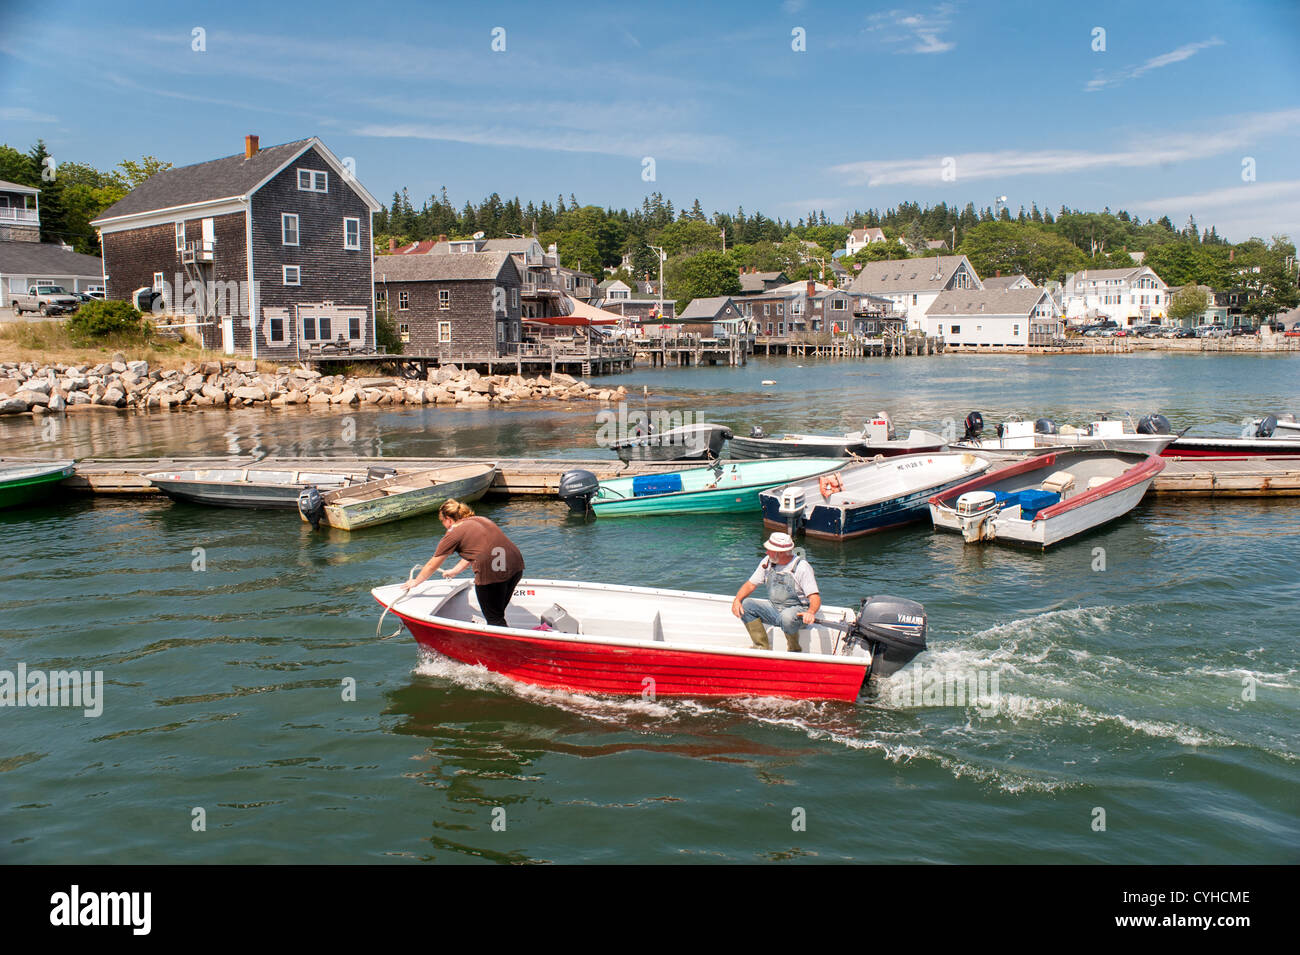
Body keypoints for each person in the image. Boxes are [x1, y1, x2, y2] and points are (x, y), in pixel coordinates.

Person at [400, 500, 525, 628]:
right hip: (516, 566)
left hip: (491, 573)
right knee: (497, 612)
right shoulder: (480, 519)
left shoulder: (453, 532)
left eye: (442, 521)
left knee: (494, 619)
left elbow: (433, 564)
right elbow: (477, 550)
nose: (444, 525)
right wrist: (455, 570)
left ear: (448, 519)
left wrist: (416, 582)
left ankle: (504, 646)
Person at [730, 532, 821, 652]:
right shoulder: (767, 562)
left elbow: (814, 597)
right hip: (774, 608)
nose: (766, 552)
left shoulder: (802, 568)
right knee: (746, 605)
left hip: (797, 611)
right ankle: (761, 647)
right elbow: (751, 584)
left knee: (787, 617)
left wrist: (810, 612)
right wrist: (737, 600)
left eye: (770, 550)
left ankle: (794, 650)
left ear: (781, 553)